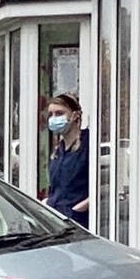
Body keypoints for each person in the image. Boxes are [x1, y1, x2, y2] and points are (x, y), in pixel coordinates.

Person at [45, 93, 91, 228]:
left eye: (59, 113)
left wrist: (82, 206)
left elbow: (106, 183)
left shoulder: (88, 144)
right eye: (51, 114)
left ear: (75, 115)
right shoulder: (59, 150)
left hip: (79, 221)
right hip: (57, 218)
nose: (54, 118)